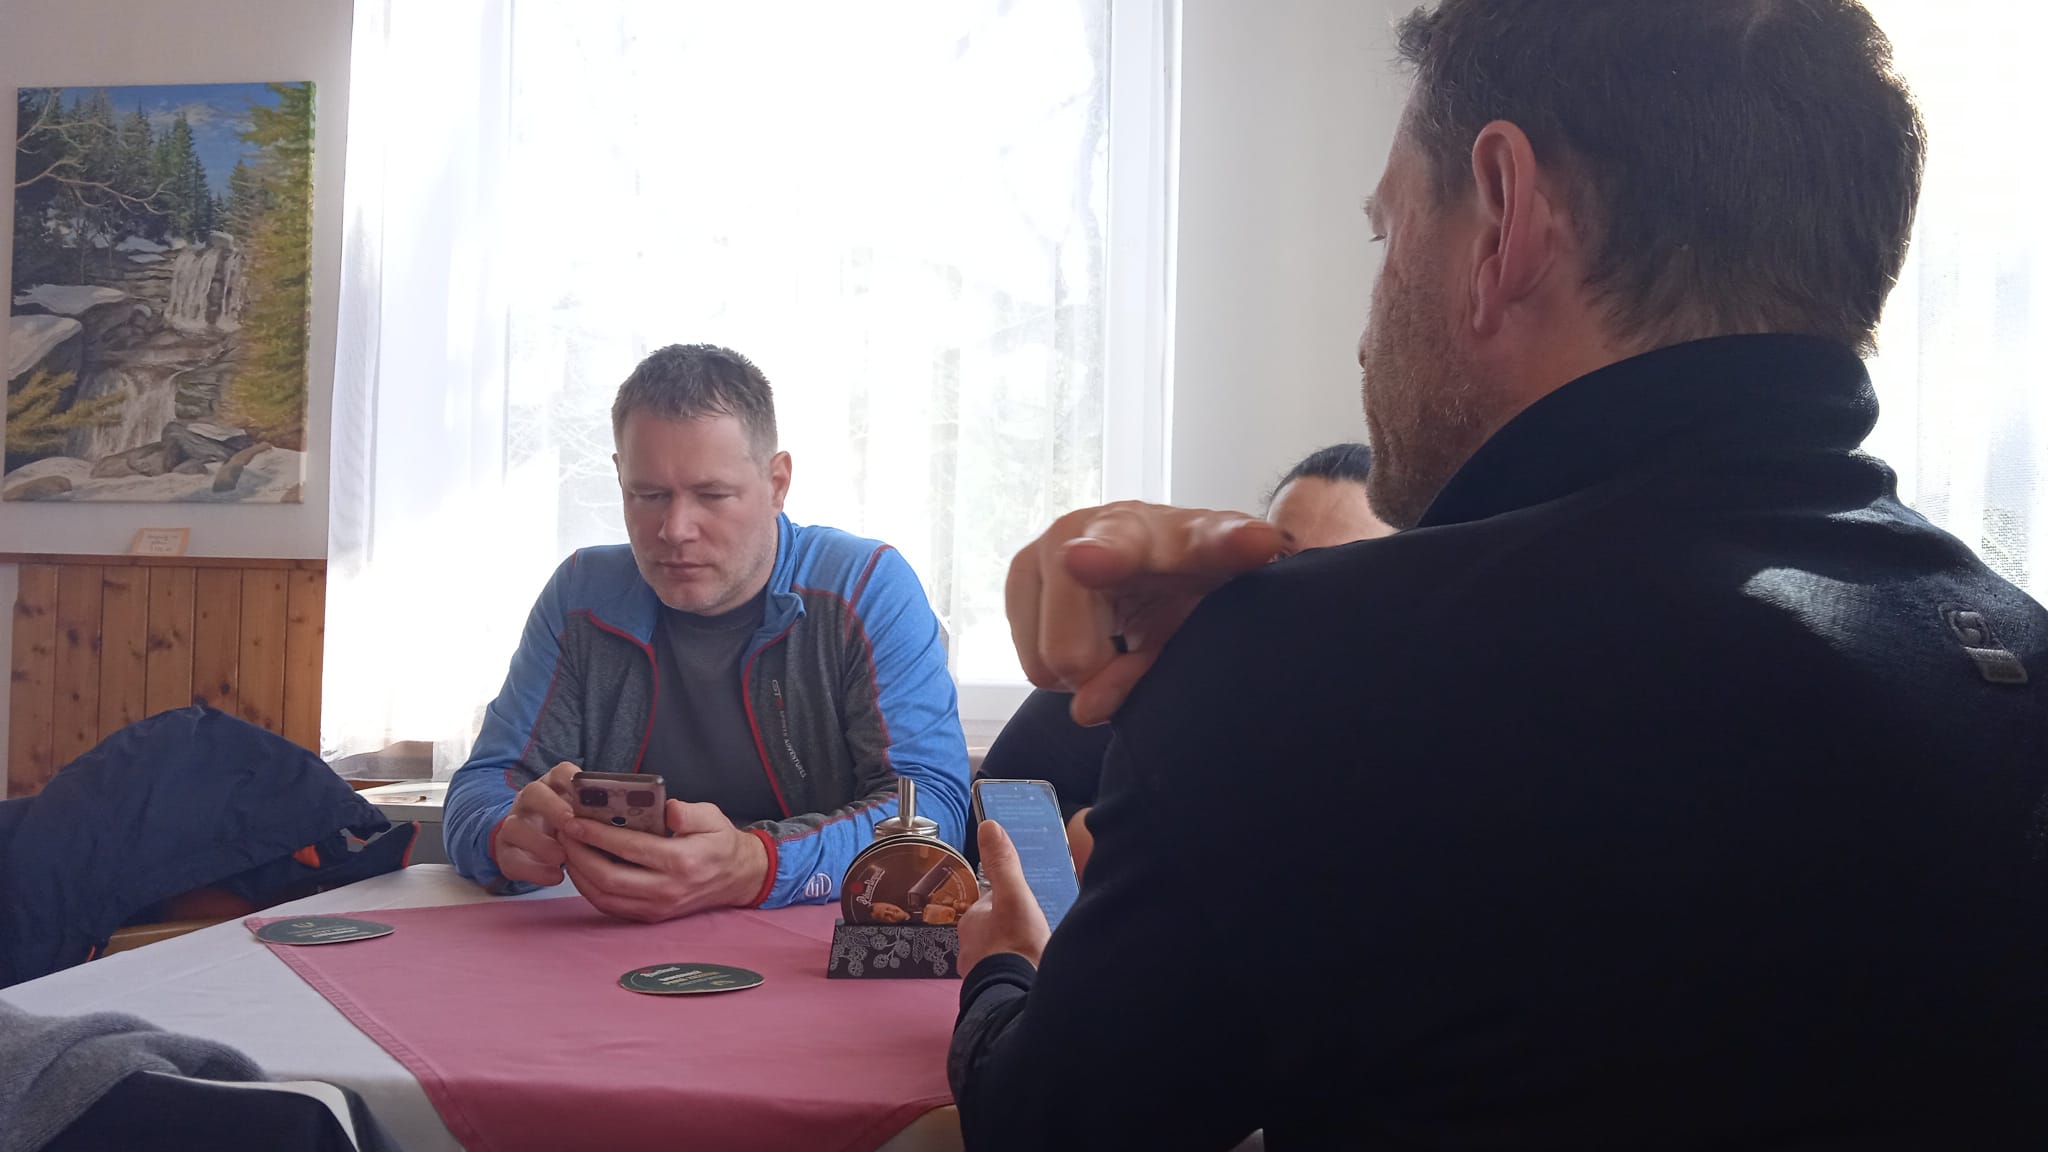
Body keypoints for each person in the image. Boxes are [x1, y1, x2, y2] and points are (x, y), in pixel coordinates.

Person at [950, 2, 2048, 1148]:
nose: (1365, 336)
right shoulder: (2015, 668)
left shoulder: (1312, 680)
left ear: (1502, 216)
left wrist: (1006, 973)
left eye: (1384, 233)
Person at [443, 344, 969, 922]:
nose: (675, 529)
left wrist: (757, 864)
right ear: (620, 477)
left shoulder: (866, 587)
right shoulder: (580, 597)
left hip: (810, 945)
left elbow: (932, 809)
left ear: (777, 483)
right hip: (604, 940)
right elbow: (482, 787)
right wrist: (505, 834)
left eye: (712, 495)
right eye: (648, 495)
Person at [974, 443, 1391, 876]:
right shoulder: (1164, 652)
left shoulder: (1399, 727)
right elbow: (997, 803)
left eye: (1339, 566)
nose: (1302, 588)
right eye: (1283, 559)